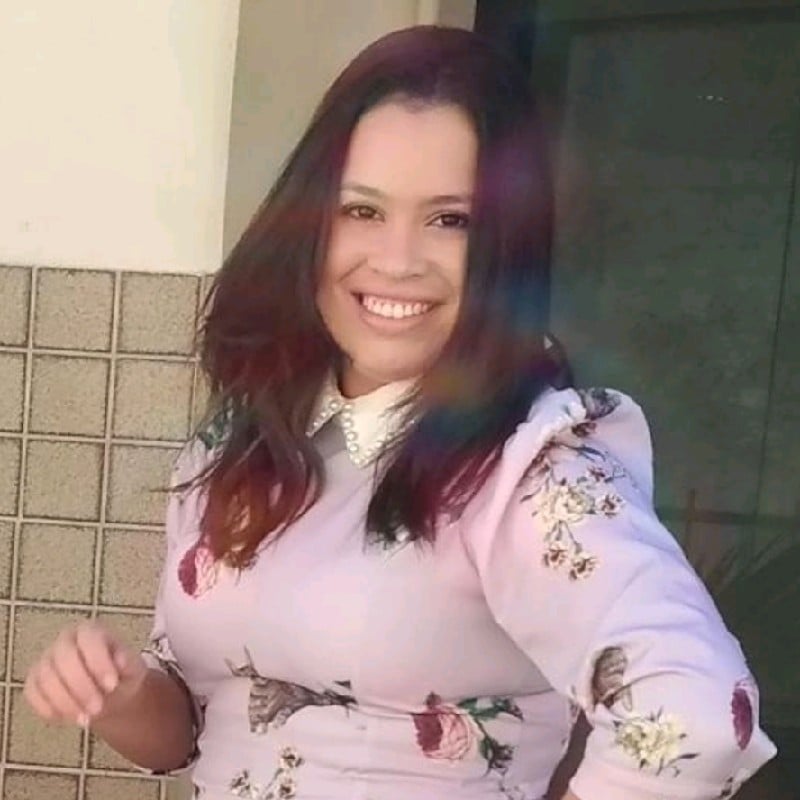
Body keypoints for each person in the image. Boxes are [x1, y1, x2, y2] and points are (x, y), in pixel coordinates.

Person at [24, 26, 776, 800]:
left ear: (505, 246)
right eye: (362, 210)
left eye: (450, 220)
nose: (397, 260)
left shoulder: (533, 470)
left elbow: (695, 720)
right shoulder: (241, 442)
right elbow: (195, 727)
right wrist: (120, 696)